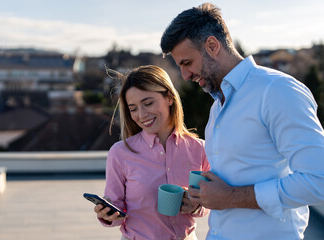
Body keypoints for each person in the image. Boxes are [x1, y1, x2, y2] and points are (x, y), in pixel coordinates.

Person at [160, 3, 324, 240]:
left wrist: (231, 196)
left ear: (212, 46)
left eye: (187, 63)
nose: (185, 76)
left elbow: (319, 179)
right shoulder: (218, 106)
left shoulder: (278, 91)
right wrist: (203, 195)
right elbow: (234, 178)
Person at [93, 65, 210, 240]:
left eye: (148, 103)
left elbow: (210, 202)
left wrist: (195, 206)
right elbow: (115, 207)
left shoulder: (200, 148)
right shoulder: (120, 153)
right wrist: (108, 215)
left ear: (169, 98)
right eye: (133, 108)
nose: (141, 114)